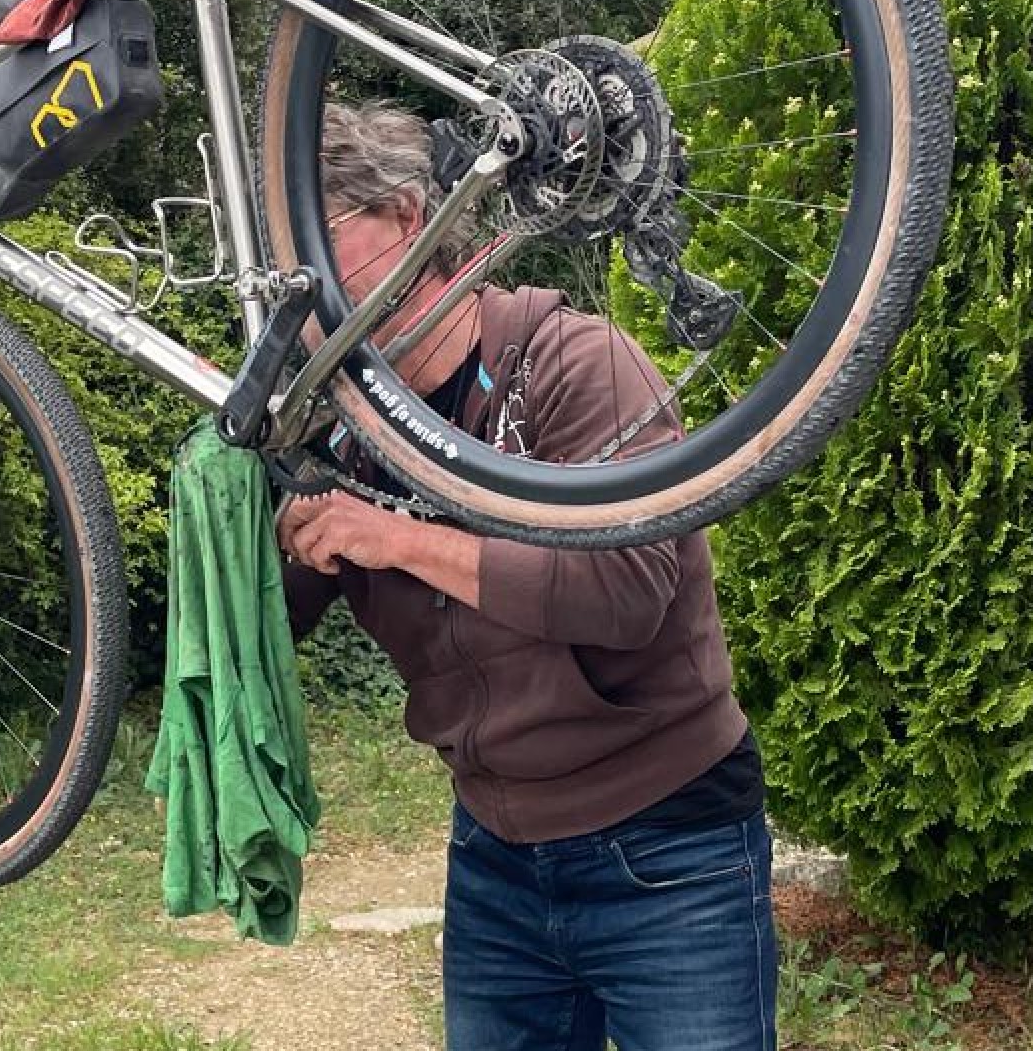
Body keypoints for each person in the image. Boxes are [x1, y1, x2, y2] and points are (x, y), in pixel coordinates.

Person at [277, 101, 776, 1051]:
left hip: (669, 845)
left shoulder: (575, 365)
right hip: (496, 858)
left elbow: (628, 594)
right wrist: (265, 520)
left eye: (324, 239)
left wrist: (395, 538)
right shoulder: (345, 421)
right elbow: (278, 617)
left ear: (410, 215)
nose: (308, 285)